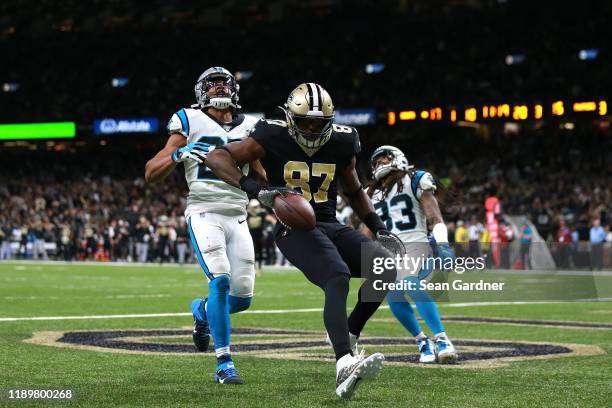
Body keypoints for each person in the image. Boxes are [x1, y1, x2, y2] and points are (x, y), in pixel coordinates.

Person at [206, 83, 398, 399]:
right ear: (291, 116)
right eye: (304, 121)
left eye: (317, 122)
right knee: (338, 276)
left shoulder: (342, 140)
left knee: (385, 267)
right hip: (293, 228)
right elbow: (217, 158)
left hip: (329, 223)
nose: (310, 128)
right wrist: (254, 188)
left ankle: (347, 335)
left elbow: (353, 189)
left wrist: (379, 228)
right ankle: (344, 364)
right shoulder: (271, 133)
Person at [145, 67, 260, 385]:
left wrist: (281, 197)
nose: (220, 88)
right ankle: (224, 362)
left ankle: (201, 311)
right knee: (220, 281)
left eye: (225, 83)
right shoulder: (188, 120)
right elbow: (151, 171)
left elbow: (261, 175)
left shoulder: (250, 126)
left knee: (243, 298)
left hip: (238, 215)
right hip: (204, 212)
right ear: (201, 92)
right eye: (213, 85)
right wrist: (179, 153)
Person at [367, 145, 457, 364]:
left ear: (397, 159)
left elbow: (435, 217)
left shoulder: (415, 179)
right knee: (394, 297)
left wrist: (443, 244)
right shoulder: (372, 194)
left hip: (417, 245)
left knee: (410, 283)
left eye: (384, 160)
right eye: (376, 162)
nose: (380, 165)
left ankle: (442, 339)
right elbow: (367, 231)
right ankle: (422, 341)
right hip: (389, 253)